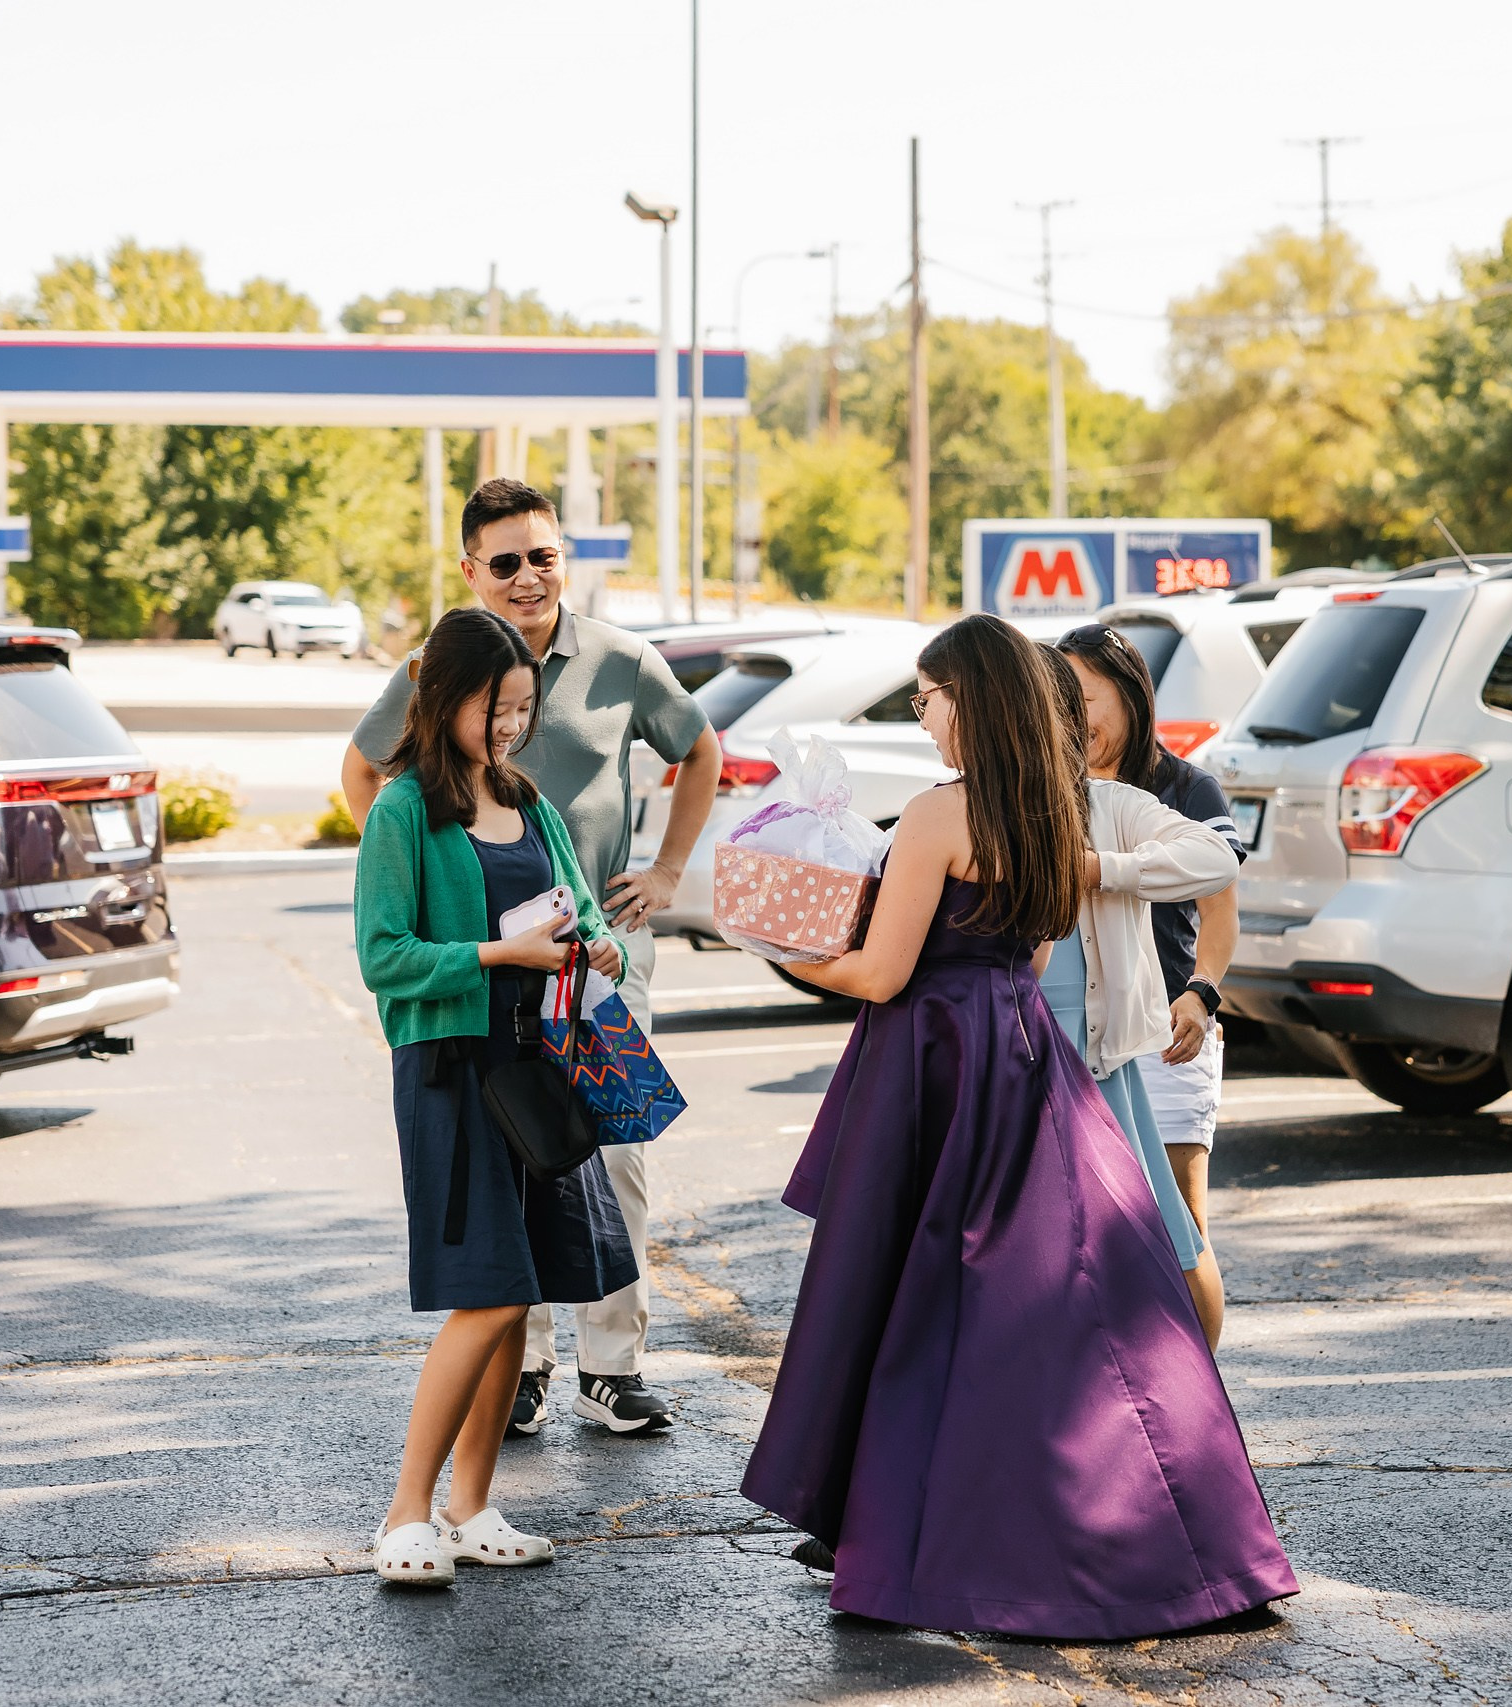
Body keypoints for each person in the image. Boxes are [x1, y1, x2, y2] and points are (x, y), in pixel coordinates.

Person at [740, 614, 1297, 1640]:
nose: (922, 715)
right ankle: (1182, 1544)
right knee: (1070, 1306)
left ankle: (917, 1536)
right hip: (1025, 1055)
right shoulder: (1050, 811)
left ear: (970, 699)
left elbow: (881, 975)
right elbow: (1034, 957)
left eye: (928, 696)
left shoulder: (937, 814)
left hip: (933, 1064)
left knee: (918, 1305)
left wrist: (775, 943)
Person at [344, 477, 718, 1438]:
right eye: (504, 560)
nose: (526, 576)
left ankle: (612, 1366)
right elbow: (364, 769)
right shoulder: (445, 664)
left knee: (612, 1154)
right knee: (516, 1157)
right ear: (471, 569)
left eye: (542, 556)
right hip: (488, 976)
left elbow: (702, 750)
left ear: (564, 558)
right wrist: (415, 874)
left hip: (593, 963)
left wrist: (664, 874)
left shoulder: (622, 661)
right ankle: (526, 1365)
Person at [355, 609, 637, 1586]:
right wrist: (494, 954)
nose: (511, 726)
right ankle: (405, 1513)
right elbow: (384, 956)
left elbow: (586, 915)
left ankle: (471, 1506)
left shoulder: (527, 801)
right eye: (495, 708)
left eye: (522, 707)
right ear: (444, 700)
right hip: (453, 1069)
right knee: (488, 1292)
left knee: (519, 1293)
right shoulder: (402, 811)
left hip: (539, 1068)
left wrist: (602, 946)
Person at [1036, 648, 1235, 1346]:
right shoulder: (1044, 789)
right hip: (1084, 1039)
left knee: (1178, 1223)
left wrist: (1201, 994)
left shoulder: (1180, 788)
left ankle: (1202, 1385)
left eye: (1086, 695)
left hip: (1168, 1030)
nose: (1073, 714)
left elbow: (1219, 903)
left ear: (1130, 695)